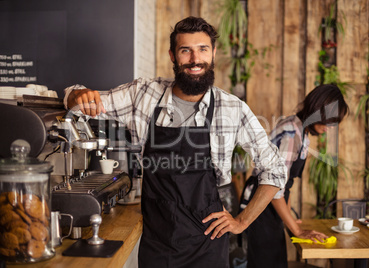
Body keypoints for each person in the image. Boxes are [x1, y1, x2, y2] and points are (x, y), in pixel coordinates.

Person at [63, 17, 287, 268]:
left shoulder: (232, 108)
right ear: (172, 55)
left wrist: (242, 221)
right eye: (185, 50)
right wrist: (76, 95)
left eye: (202, 49)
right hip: (158, 244)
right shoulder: (144, 94)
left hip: (208, 245)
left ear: (214, 53)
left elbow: (275, 168)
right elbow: (80, 103)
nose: (195, 59)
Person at [240, 84, 349, 268]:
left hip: (270, 205)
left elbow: (285, 184)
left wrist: (289, 219)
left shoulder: (302, 132)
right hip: (261, 205)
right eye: (329, 121)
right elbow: (274, 188)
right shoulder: (292, 134)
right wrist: (296, 229)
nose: (330, 127)